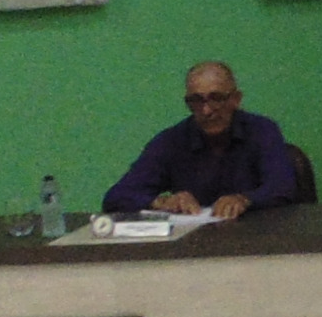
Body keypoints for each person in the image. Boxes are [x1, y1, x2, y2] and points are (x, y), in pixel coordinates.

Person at [102, 61, 309, 218]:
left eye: (216, 98)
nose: (206, 110)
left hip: (260, 241)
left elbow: (283, 187)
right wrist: (161, 202)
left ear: (236, 99)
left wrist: (244, 199)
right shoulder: (171, 141)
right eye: (196, 100)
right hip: (195, 245)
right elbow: (116, 197)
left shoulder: (262, 130)